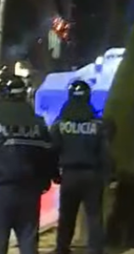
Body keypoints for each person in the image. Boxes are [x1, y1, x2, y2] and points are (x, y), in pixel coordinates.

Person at [0, 76, 55, 254]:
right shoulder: (38, 124)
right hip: (30, 192)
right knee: (28, 241)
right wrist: (44, 181)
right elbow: (49, 154)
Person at [51, 80, 108, 254]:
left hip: (69, 175)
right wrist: (107, 174)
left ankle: (62, 247)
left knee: (66, 214)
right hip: (92, 174)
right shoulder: (97, 124)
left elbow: (52, 150)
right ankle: (95, 249)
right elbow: (104, 152)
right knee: (94, 215)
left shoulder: (60, 123)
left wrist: (54, 174)